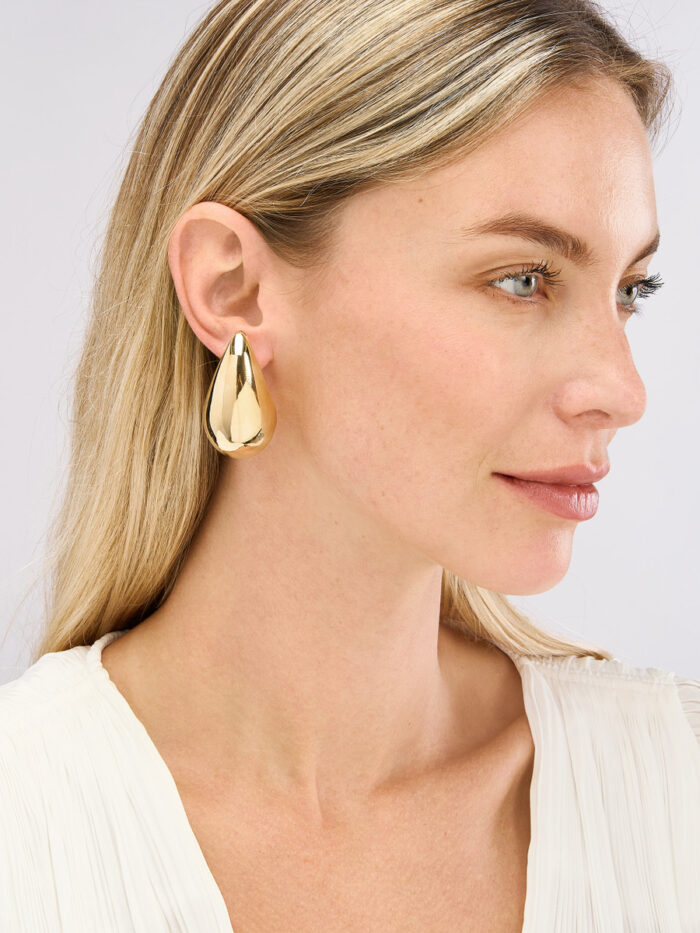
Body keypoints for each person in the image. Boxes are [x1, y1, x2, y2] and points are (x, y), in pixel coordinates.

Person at [1, 0, 698, 929]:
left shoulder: (677, 792)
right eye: (522, 279)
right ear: (232, 288)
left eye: (630, 291)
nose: (621, 389)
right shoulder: (24, 827)